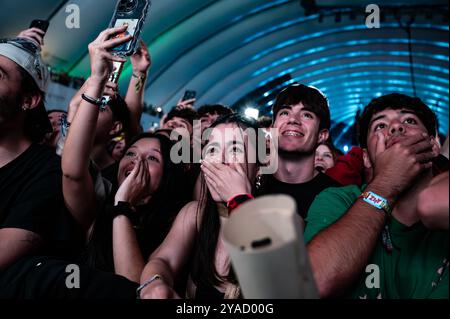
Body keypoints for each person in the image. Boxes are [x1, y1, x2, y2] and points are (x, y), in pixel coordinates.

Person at [304, 93, 447, 298]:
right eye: (380, 126)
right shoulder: (339, 200)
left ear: (434, 146)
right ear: (366, 158)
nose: (396, 127)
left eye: (409, 120)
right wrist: (385, 185)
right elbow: (314, 283)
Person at [138, 114, 264, 299]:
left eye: (235, 149)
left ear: (259, 168)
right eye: (212, 150)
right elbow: (162, 260)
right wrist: (155, 284)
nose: (220, 160)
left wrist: (238, 199)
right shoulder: (194, 214)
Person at [256, 83, 340, 218]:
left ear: (321, 135)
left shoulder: (336, 198)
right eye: (285, 113)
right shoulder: (251, 187)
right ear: (272, 129)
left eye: (307, 115)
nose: (293, 120)